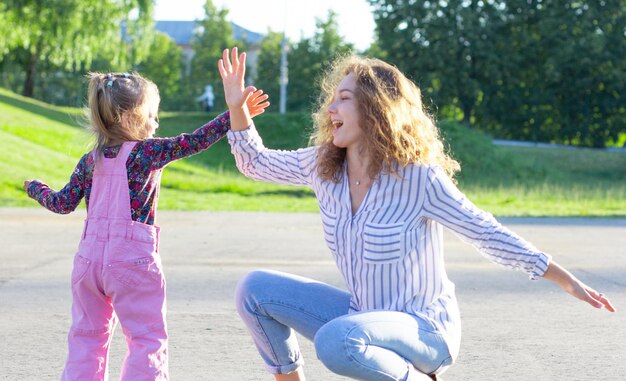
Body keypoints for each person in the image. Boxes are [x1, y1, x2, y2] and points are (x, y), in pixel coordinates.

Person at [218, 47, 616, 381]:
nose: (329, 108)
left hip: (425, 330)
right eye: (332, 98)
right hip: (362, 319)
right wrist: (238, 109)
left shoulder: (417, 177)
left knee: (336, 341)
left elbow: (485, 231)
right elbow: (255, 163)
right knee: (254, 290)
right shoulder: (325, 167)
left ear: (376, 109)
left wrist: (560, 277)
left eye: (343, 98)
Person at [23, 71, 268, 381]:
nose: (156, 123)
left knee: (87, 337)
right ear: (129, 118)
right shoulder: (145, 153)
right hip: (132, 262)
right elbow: (194, 142)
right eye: (152, 115)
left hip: (88, 264)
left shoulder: (90, 161)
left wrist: (35, 188)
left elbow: (62, 203)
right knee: (145, 338)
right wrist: (232, 114)